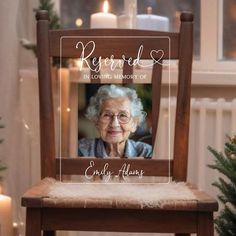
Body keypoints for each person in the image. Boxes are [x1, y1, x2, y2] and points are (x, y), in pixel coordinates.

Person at [78, 84, 152, 158]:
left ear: (134, 124)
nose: (114, 124)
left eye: (123, 115)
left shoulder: (146, 153)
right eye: (107, 115)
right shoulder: (81, 151)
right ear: (97, 121)